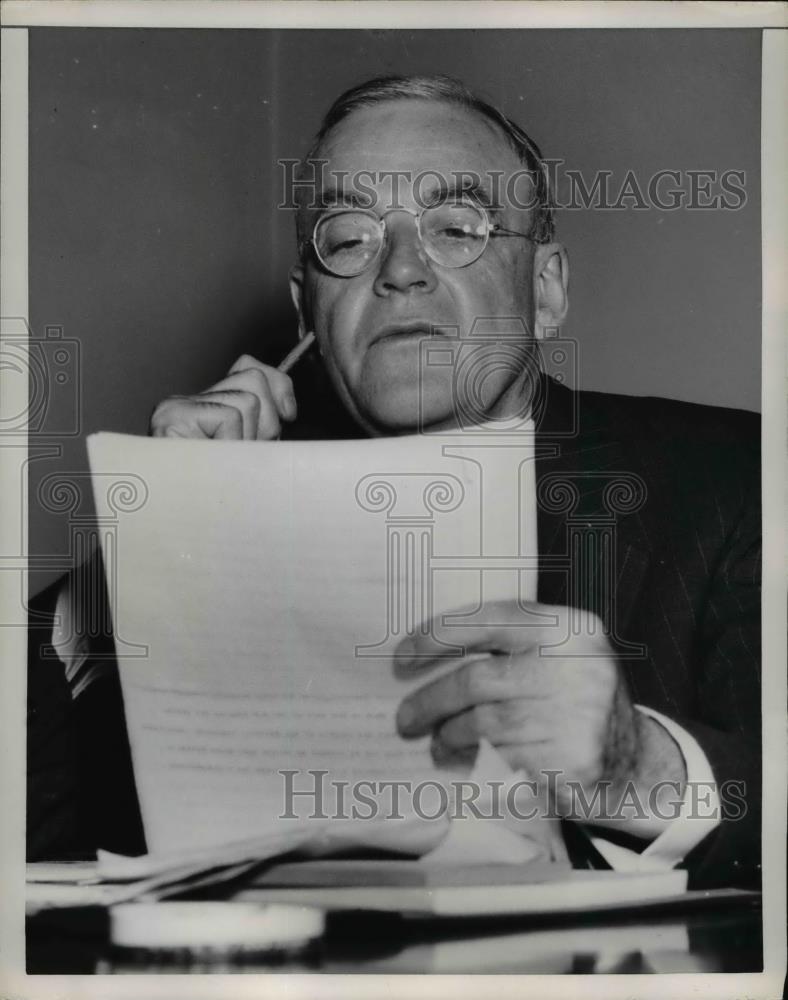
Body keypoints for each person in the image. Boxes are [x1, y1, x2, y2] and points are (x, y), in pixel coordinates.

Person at [28, 76, 760, 889]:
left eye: (457, 225)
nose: (401, 269)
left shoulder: (739, 478)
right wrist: (160, 537)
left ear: (545, 290)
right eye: (349, 237)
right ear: (308, 315)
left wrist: (640, 769)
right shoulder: (235, 501)